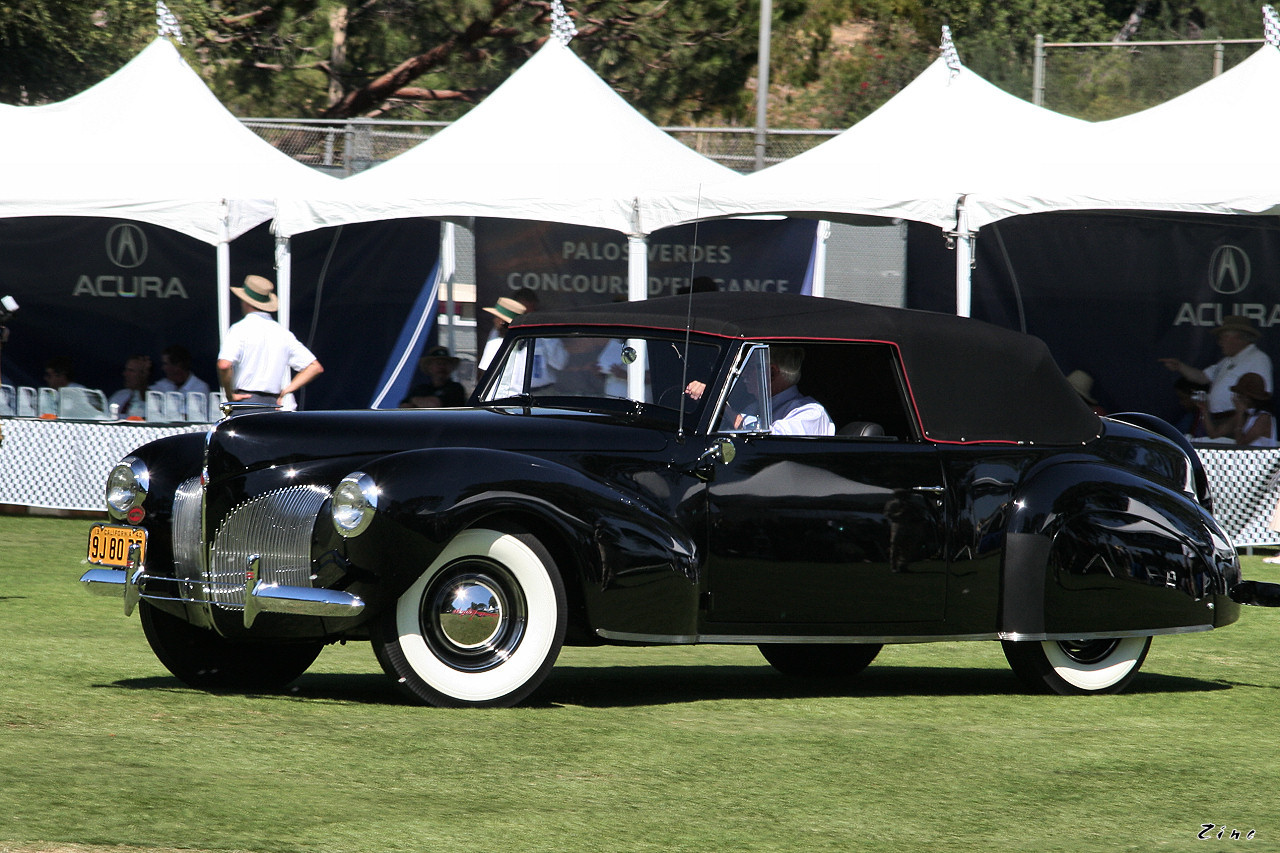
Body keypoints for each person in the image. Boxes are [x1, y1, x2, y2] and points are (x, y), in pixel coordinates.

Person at [216, 275, 323, 410]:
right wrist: (286, 391)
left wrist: (229, 394)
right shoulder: (283, 333)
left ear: (245, 301)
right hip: (273, 404)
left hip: (245, 402)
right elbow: (314, 367)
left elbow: (224, 365)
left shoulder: (240, 329)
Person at [686, 345, 833, 436]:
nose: (744, 375)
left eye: (749, 367)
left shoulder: (810, 412)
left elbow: (771, 442)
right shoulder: (753, 407)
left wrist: (722, 406)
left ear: (771, 373)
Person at [1160, 315, 1273, 432]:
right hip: (1219, 420)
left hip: (1239, 421)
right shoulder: (1226, 361)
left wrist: (1240, 419)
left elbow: (1263, 395)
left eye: (1224, 337)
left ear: (1239, 337)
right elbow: (1202, 377)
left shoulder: (1258, 359)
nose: (1220, 342)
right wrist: (1180, 366)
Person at [1197, 372, 1276, 447]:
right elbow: (1214, 434)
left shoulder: (1264, 417)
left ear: (1247, 398)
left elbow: (1241, 443)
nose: (1236, 398)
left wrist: (1240, 414)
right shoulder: (1245, 414)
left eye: (1239, 395)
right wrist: (1204, 410)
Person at [400, 346, 466, 408]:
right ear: (429, 368)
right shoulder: (421, 389)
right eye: (438, 364)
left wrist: (415, 400)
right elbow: (404, 406)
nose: (442, 367)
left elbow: (434, 405)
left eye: (445, 364)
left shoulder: (456, 388)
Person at [108, 354, 152, 418]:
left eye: (131, 371)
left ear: (144, 374)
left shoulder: (153, 400)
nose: (125, 374)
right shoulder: (119, 395)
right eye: (126, 370)